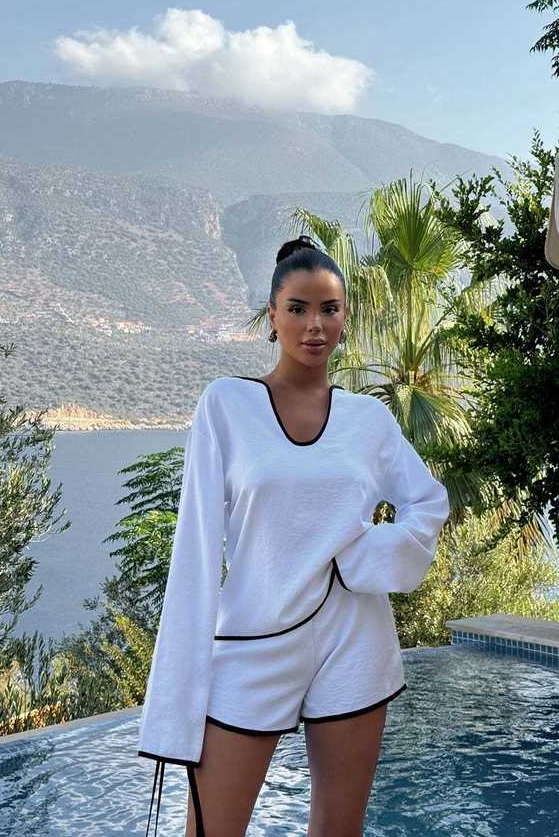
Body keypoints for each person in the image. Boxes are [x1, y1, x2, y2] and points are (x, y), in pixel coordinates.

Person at [136, 235, 451, 837]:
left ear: (345, 317)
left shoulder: (368, 420)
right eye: (298, 309)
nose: (314, 325)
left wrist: (370, 557)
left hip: (355, 641)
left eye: (329, 309)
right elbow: (195, 554)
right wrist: (178, 696)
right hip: (254, 640)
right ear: (273, 316)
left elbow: (428, 502)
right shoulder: (227, 406)